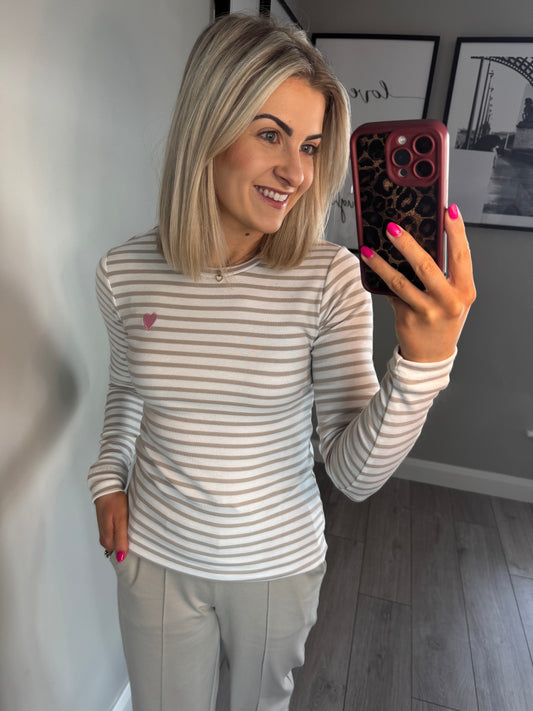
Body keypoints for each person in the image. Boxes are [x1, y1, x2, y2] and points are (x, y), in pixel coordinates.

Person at [88, 13, 475, 711]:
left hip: (275, 564)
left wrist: (422, 364)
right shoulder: (123, 273)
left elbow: (352, 474)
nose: (296, 172)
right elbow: (128, 386)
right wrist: (108, 477)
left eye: (310, 146)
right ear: (207, 128)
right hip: (154, 555)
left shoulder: (328, 279)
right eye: (270, 134)